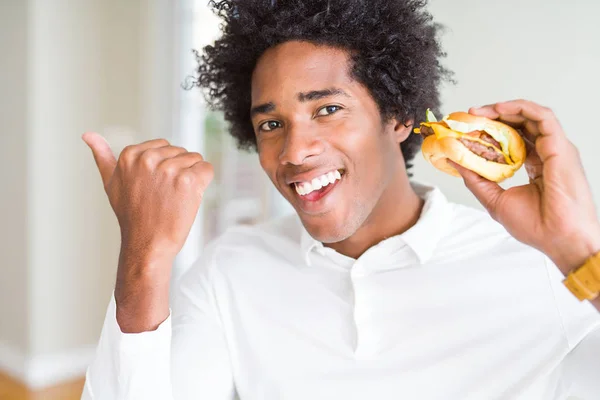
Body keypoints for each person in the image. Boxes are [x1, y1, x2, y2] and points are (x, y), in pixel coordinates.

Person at [81, 0, 600, 399]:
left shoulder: (550, 272)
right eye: (271, 123)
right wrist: (143, 262)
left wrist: (577, 248)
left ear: (398, 117)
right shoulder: (231, 270)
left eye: (327, 109)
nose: (295, 151)